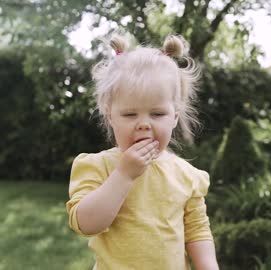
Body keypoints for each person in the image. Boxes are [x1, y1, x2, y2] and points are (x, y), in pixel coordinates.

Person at [66, 33, 219, 270]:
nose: (144, 124)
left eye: (157, 114)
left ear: (175, 117)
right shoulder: (98, 166)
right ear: (110, 116)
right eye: (130, 114)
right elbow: (85, 224)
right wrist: (124, 175)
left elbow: (197, 230)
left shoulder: (187, 175)